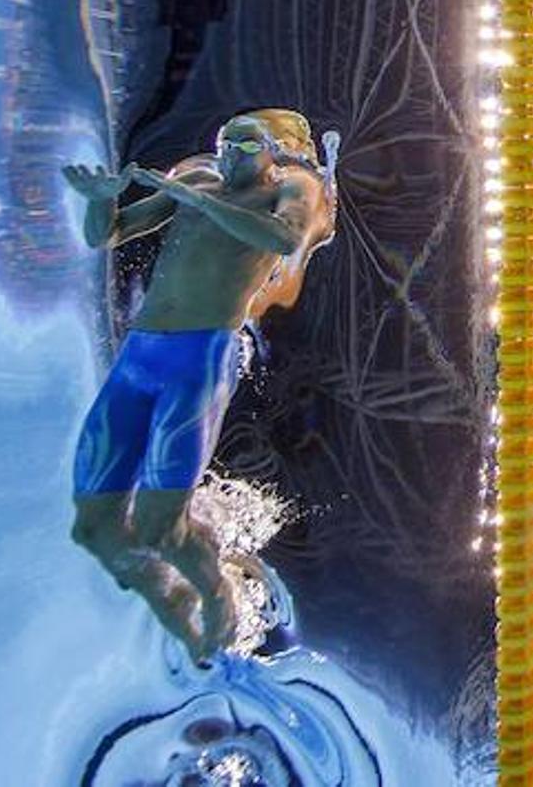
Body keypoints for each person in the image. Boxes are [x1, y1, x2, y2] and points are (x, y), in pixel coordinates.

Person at [63, 108, 337, 662]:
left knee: (159, 526)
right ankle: (179, 610)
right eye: (226, 140)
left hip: (199, 357)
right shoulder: (193, 176)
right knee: (93, 528)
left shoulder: (295, 189)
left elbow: (284, 241)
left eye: (249, 143)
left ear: (278, 152)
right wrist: (102, 198)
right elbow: (108, 234)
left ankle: (217, 598)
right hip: (140, 355)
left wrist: (201, 204)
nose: (232, 154)